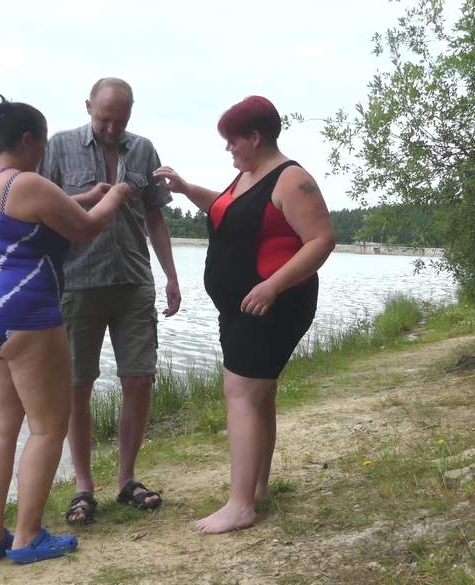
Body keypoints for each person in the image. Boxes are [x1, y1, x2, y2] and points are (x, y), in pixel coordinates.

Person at [0, 94, 130, 564]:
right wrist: (115, 195)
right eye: (43, 142)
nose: (44, 151)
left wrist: (86, 196)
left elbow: (33, 215)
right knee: (49, 428)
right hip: (25, 314)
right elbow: (85, 228)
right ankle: (28, 537)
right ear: (29, 140)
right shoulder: (28, 182)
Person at [154, 95, 335, 534]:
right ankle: (256, 490)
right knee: (258, 396)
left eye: (232, 140)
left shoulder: (291, 179)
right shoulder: (249, 176)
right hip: (242, 307)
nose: (228, 148)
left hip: (274, 304)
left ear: (255, 137)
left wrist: (272, 285)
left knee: (240, 394)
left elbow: (321, 240)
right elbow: (227, 210)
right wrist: (186, 189)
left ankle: (240, 506)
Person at [38, 78, 181, 524]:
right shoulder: (59, 147)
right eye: (104, 118)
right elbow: (41, 206)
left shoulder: (143, 150)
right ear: (88, 107)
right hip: (76, 285)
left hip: (134, 282)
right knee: (76, 386)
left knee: (139, 379)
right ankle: (83, 487)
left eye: (121, 119)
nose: (112, 127)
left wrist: (171, 275)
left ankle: (126, 480)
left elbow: (154, 217)